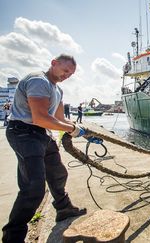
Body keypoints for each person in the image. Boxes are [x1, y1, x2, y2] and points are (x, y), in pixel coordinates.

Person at [2, 54, 87, 243]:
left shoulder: (58, 90)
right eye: (65, 70)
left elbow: (59, 119)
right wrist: (72, 129)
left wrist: (76, 128)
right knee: (33, 188)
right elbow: (40, 118)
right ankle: (12, 237)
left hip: (41, 134)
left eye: (71, 74)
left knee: (58, 173)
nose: (67, 75)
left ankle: (64, 209)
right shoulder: (38, 81)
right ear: (53, 63)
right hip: (24, 132)